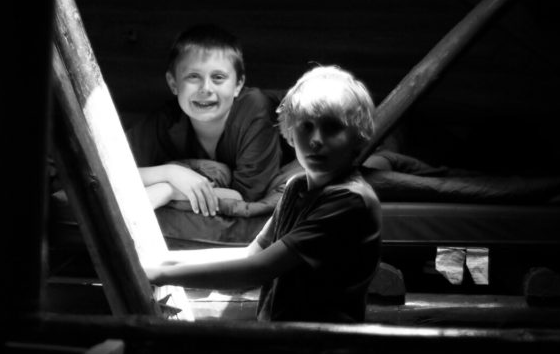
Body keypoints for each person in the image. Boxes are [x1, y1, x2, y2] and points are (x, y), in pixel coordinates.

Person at [144, 64, 382, 324]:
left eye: (332, 128)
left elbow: (258, 269)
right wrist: (166, 262)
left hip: (323, 343)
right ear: (290, 132)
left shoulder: (349, 200)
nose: (316, 139)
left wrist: (160, 275)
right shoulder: (296, 187)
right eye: (306, 126)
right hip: (283, 337)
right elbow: (252, 253)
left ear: (357, 135)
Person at [125, 24, 284, 217]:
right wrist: (171, 173)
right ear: (173, 83)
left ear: (238, 85)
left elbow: (247, 198)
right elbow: (114, 168)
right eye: (193, 77)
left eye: (218, 77)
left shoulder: (255, 109)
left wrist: (169, 190)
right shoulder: (168, 120)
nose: (206, 88)